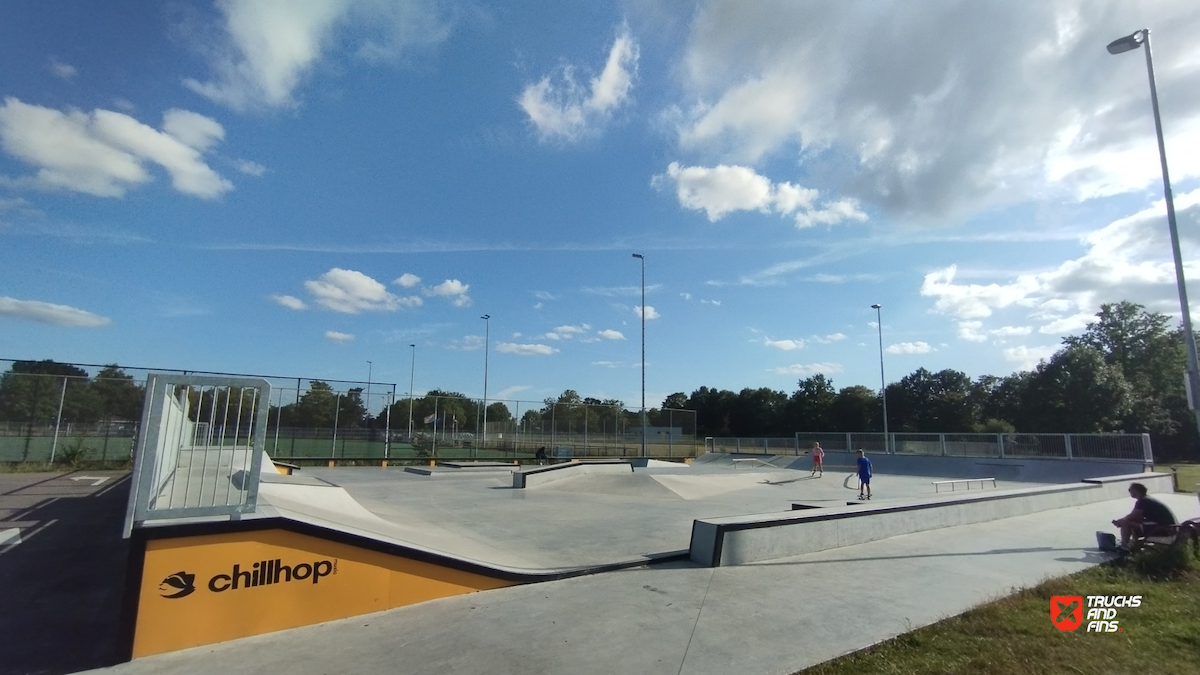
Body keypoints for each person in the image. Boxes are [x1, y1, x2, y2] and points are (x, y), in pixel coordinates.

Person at [1112, 482, 1176, 551]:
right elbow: (1137, 517)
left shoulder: (1142, 501)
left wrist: (1120, 521)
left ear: (1136, 491)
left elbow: (1132, 516)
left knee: (1125, 522)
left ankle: (1124, 546)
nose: (1129, 492)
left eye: (1130, 490)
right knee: (1131, 522)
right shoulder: (1148, 499)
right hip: (1169, 527)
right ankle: (1134, 544)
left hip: (1163, 528)